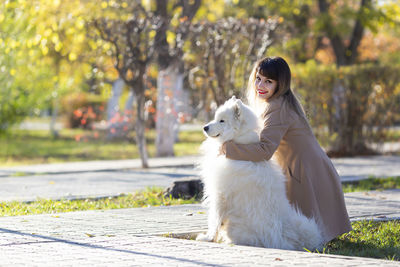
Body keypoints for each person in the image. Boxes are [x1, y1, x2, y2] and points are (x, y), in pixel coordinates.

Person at [220, 56, 352, 244]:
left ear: (280, 84)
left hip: (304, 173)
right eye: (258, 78)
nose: (261, 85)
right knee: (310, 230)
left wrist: (227, 148)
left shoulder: (278, 108)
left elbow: (265, 150)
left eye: (268, 81)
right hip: (311, 168)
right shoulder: (281, 102)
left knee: (303, 233)